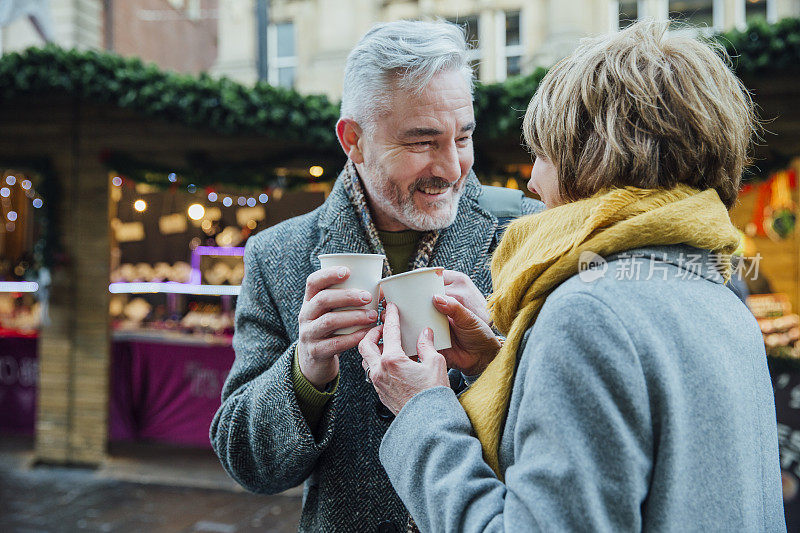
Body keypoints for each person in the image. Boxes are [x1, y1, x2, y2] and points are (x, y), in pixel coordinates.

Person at [359, 20, 786, 531]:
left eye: (542, 153)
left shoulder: (590, 311)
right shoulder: (715, 294)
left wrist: (420, 411)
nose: (533, 181)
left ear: (591, 157)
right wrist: (498, 362)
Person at [209, 19, 543, 533]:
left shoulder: (525, 234)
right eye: (423, 142)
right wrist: (305, 371)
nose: (452, 166)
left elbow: (566, 431)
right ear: (354, 141)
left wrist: (490, 363)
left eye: (464, 135)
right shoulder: (279, 254)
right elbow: (246, 463)